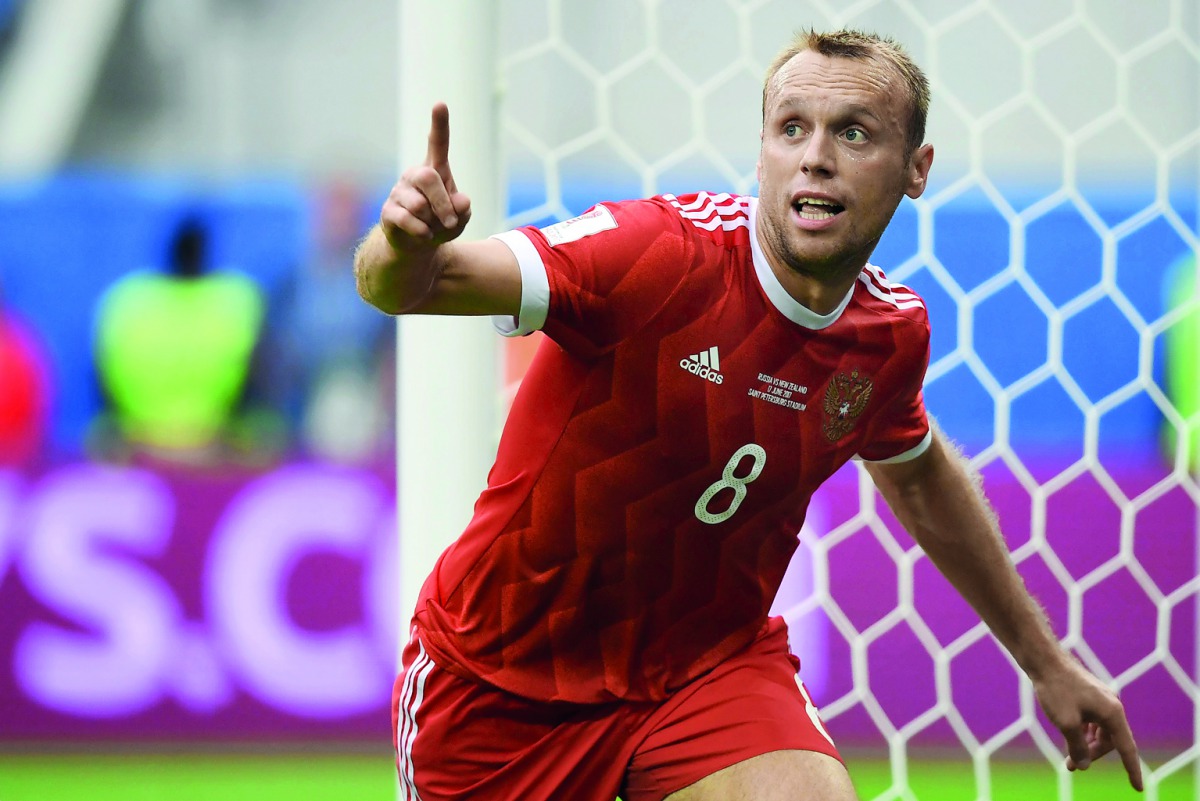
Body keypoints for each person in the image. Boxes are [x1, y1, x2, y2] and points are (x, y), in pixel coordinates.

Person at [355, 29, 1142, 801]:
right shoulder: (656, 254)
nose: (816, 156)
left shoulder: (889, 336)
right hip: (504, 685)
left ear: (917, 169)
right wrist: (403, 244)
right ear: (762, 152)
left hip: (704, 671)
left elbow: (920, 477)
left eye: (854, 133)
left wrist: (1046, 662)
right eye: (792, 128)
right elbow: (408, 287)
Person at [92, 213, 266, 466]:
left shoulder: (127, 301)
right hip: (211, 443)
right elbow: (255, 382)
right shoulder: (237, 301)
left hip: (138, 442)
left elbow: (102, 378)